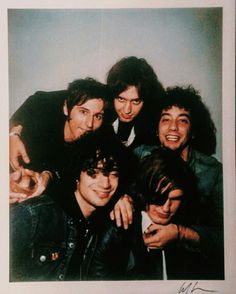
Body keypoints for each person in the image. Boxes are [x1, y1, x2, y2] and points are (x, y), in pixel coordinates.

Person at [9, 78, 133, 228]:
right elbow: (37, 100)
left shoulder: (102, 134)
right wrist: (13, 134)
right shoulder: (37, 130)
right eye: (83, 112)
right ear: (66, 109)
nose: (89, 124)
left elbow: (126, 162)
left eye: (98, 116)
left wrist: (122, 196)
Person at [10, 129, 133, 281]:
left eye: (113, 174)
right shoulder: (35, 215)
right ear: (77, 175)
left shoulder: (101, 224)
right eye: (93, 173)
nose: (105, 183)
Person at [134, 85, 224, 279]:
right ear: (156, 128)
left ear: (193, 130)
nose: (173, 127)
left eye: (182, 120)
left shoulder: (213, 171)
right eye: (165, 119)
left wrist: (179, 232)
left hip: (192, 269)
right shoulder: (140, 156)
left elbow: (226, 238)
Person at [127, 148, 202, 280]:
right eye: (160, 197)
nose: (166, 208)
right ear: (145, 190)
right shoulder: (122, 229)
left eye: (175, 199)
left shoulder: (185, 228)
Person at [106, 56, 165, 149]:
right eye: (121, 99)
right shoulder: (98, 120)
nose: (127, 110)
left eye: (136, 101)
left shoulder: (153, 129)